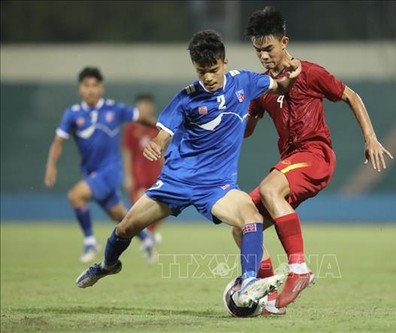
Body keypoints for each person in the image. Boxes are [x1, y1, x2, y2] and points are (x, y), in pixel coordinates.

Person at [75, 30, 302, 309]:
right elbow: (163, 133)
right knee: (124, 228)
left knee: (251, 217)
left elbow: (281, 84)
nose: (207, 77)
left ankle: (249, 283)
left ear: (225, 62)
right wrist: (156, 145)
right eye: (201, 71)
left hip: (216, 186)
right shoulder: (186, 98)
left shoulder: (245, 82)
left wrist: (294, 68)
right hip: (177, 182)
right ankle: (107, 265)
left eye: (213, 70)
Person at [232, 7, 394, 314]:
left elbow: (351, 96)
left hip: (315, 155)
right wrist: (232, 114)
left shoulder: (310, 73)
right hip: (291, 161)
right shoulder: (261, 86)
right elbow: (248, 130)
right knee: (243, 225)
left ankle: (299, 270)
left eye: (268, 49)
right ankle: (267, 291)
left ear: (284, 41)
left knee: (268, 189)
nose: (263, 56)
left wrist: (370, 137)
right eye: (257, 51)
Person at [44, 67, 158, 264]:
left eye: (94, 85)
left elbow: (141, 117)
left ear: (101, 88)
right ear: (80, 89)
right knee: (119, 215)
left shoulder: (114, 109)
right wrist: (51, 166)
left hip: (111, 171)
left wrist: (164, 130)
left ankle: (90, 241)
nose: (90, 90)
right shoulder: (73, 113)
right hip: (92, 172)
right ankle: (146, 238)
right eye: (86, 85)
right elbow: (58, 141)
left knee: (76, 195)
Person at [123, 94, 164, 250]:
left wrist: (166, 170)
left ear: (152, 107)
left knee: (163, 207)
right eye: (141, 106)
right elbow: (127, 153)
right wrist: (128, 176)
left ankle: (149, 235)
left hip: (156, 173)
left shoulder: (158, 128)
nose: (144, 109)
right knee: (139, 208)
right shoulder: (131, 129)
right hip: (138, 175)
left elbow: (162, 152)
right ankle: (146, 236)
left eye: (147, 105)